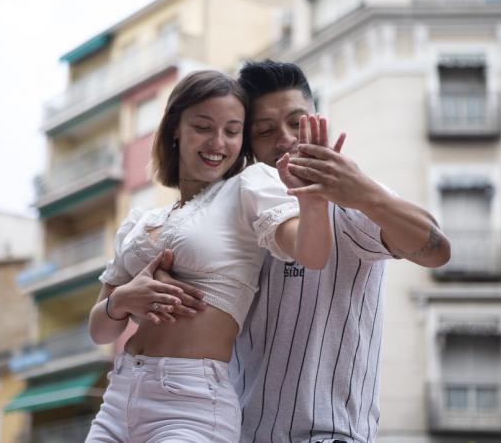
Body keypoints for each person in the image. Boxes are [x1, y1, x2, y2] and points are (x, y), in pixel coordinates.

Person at [84, 69, 332, 443]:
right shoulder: (140, 221)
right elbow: (101, 330)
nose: (218, 142)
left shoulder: (249, 186)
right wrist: (121, 300)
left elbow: (311, 254)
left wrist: (313, 201)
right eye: (203, 127)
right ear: (175, 128)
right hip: (119, 397)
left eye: (233, 131)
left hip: (191, 404)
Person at [228, 60, 451, 443]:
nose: (284, 139)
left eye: (296, 122)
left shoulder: (353, 199)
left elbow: (436, 251)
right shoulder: (239, 210)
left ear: (317, 118)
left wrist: (363, 192)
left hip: (329, 436)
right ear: (248, 145)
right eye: (264, 131)